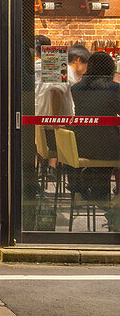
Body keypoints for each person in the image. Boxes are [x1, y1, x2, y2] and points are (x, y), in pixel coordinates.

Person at [68, 52, 120, 203]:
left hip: (80, 146)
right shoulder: (114, 89)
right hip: (107, 148)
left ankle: (86, 189)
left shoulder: (76, 88)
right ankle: (113, 198)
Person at [35, 34, 74, 115]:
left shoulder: (33, 69)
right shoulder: (63, 67)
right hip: (63, 116)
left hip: (41, 115)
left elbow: (56, 91)